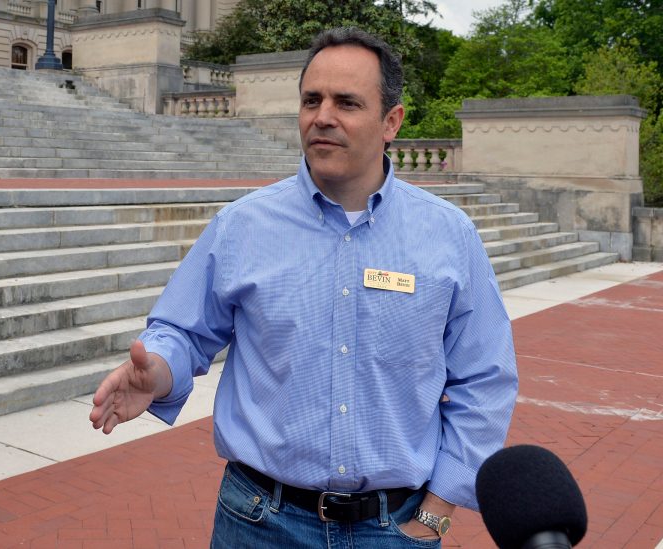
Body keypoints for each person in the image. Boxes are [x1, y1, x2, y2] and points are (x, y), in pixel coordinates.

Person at [90, 26, 518, 548]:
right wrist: (157, 370)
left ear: (391, 121)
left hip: (394, 528)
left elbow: (485, 379)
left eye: (347, 102)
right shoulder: (243, 225)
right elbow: (181, 331)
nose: (323, 116)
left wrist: (436, 513)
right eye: (311, 100)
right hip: (257, 523)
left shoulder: (450, 237)